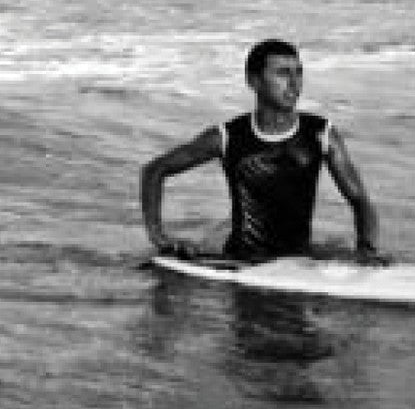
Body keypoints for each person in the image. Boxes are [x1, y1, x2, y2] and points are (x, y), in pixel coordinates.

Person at [141, 38, 387, 266]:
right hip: (241, 260)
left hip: (299, 261)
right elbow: (155, 170)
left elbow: (360, 201)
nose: (294, 83)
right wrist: (158, 236)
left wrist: (366, 251)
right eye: (282, 73)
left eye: (298, 72)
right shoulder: (227, 136)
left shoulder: (321, 133)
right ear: (254, 81)